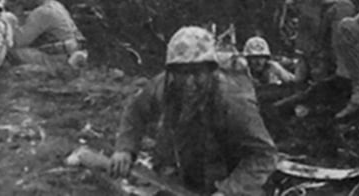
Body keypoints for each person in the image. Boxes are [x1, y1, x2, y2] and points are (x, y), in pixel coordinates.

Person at [110, 26, 278, 196]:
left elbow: (264, 155)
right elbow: (135, 110)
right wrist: (125, 148)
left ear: (210, 70)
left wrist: (228, 190)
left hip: (227, 179)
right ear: (172, 72)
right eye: (182, 73)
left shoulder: (232, 100)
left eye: (197, 73)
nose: (189, 81)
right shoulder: (165, 85)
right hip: (180, 176)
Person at [8, 0, 87, 69]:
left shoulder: (42, 13)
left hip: (59, 60)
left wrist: (15, 17)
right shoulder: (55, 4)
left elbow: (17, 41)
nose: (18, 0)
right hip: (71, 54)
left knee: (9, 52)